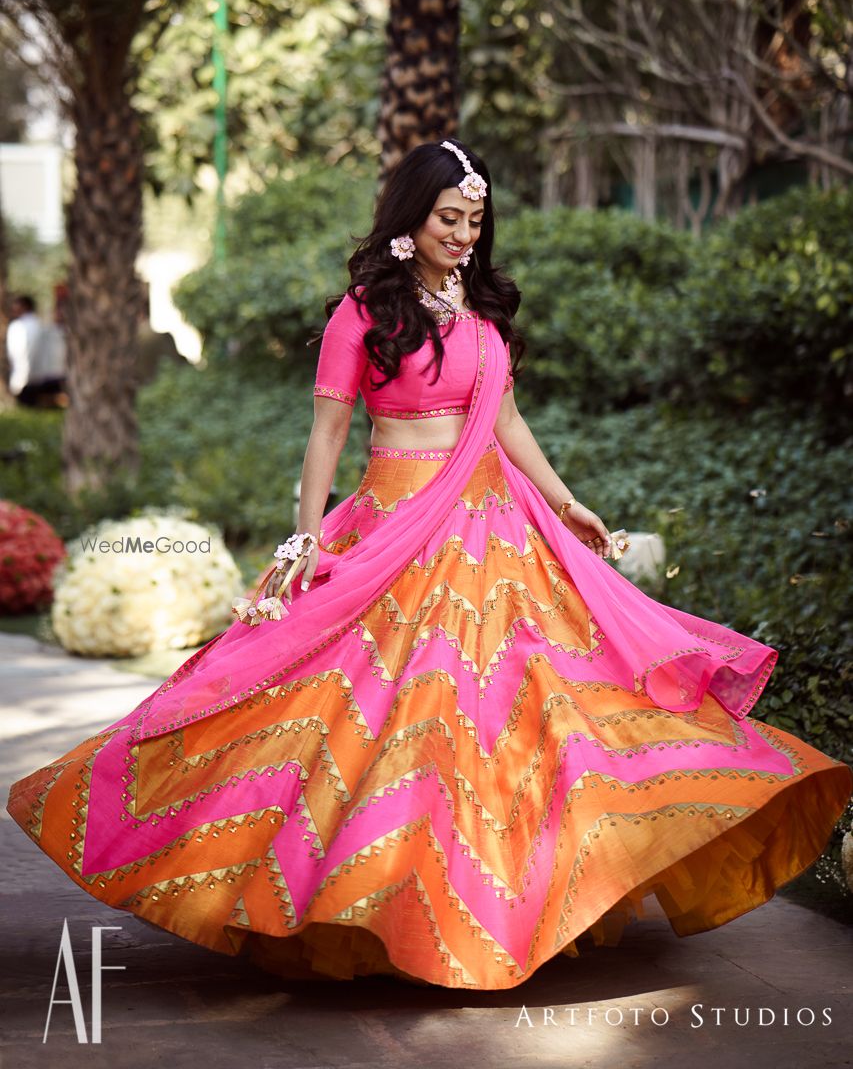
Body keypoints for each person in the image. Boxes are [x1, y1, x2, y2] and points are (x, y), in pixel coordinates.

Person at [5, 140, 852, 991]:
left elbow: (508, 421)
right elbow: (328, 433)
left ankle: (512, 903)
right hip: (395, 524)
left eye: (475, 221)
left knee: (525, 709)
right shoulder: (365, 309)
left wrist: (564, 502)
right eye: (450, 217)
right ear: (411, 217)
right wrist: (308, 539)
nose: (464, 234)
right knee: (375, 709)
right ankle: (374, 898)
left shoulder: (478, 305)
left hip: (498, 529)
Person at [5, 293, 56, 406]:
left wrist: (20, 377)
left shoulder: (18, 327)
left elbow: (20, 354)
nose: (14, 309)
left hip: (25, 378)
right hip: (40, 376)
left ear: (25, 307)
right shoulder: (41, 325)